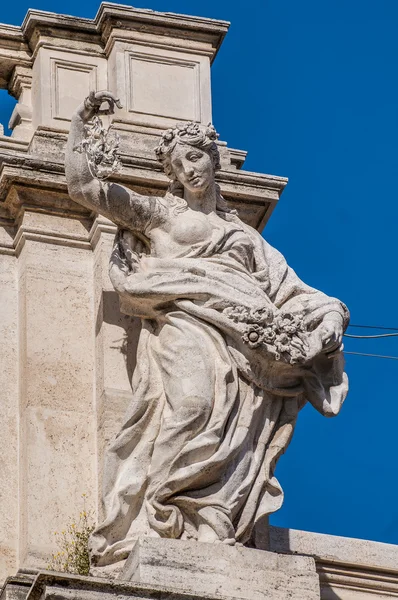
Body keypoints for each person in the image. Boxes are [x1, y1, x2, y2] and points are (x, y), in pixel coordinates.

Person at [65, 91, 349, 568]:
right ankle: (162, 508)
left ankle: (212, 518)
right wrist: (80, 128)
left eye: (195, 158)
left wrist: (329, 320)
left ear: (213, 160)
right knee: (192, 404)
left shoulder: (247, 238)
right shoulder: (160, 214)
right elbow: (85, 190)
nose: (189, 170)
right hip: (189, 320)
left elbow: (299, 293)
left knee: (236, 430)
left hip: (248, 340)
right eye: (178, 166)